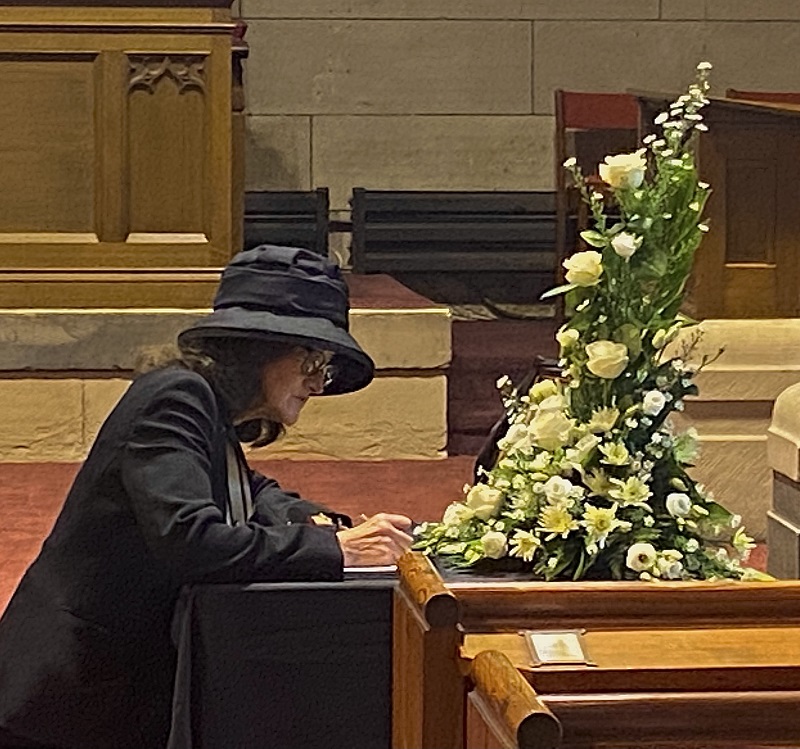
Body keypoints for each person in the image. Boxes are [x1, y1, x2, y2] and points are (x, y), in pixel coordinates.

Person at [0, 245, 414, 749]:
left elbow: (250, 490)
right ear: (258, 348)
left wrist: (317, 520)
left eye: (322, 367)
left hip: (109, 687)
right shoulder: (176, 397)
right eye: (312, 360)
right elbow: (191, 538)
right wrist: (338, 551)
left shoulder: (207, 408)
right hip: (65, 694)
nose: (316, 382)